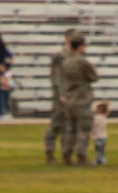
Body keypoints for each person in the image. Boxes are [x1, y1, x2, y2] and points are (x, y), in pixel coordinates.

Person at [58, 35, 98, 166]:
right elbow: (94, 77)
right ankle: (81, 156)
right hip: (82, 99)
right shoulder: (83, 62)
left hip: (69, 100)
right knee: (84, 130)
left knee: (70, 129)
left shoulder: (65, 62)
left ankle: (66, 155)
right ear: (80, 47)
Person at [45, 28, 79, 164]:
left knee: (70, 126)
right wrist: (61, 94)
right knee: (57, 124)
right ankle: (50, 152)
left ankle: (67, 154)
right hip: (61, 95)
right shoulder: (59, 56)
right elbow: (56, 77)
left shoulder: (76, 56)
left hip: (73, 95)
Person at [92, 100, 110, 166]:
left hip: (98, 137)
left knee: (98, 149)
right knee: (102, 149)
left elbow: (93, 125)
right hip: (104, 136)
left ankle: (99, 160)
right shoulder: (104, 118)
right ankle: (103, 158)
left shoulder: (97, 118)